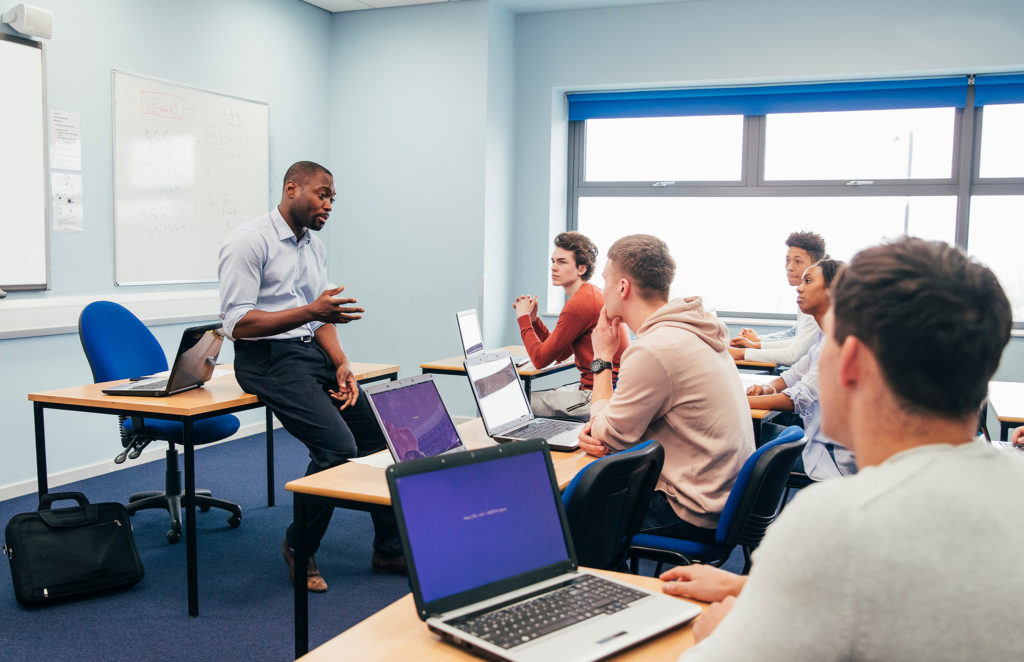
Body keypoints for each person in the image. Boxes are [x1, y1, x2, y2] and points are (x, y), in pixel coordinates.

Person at [663, 237, 1023, 661]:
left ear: (849, 360)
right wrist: (752, 587)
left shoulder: (837, 521)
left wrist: (714, 634)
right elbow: (917, 604)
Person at [218, 161, 404, 593]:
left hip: (310, 355)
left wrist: (341, 362)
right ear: (291, 189)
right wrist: (311, 313)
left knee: (380, 436)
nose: (329, 204)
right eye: (322, 194)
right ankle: (298, 547)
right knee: (336, 447)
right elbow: (237, 324)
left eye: (333, 198)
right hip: (265, 358)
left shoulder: (313, 247)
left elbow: (321, 318)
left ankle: (389, 548)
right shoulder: (249, 242)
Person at [577, 234, 754, 544]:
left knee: (564, 523)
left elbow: (607, 437)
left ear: (622, 287)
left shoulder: (655, 348)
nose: (602, 289)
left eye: (605, 280)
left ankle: (610, 589)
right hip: (723, 498)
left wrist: (603, 358)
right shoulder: (691, 330)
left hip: (690, 510)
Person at [746, 259, 856, 481]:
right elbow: (793, 375)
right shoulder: (825, 337)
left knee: (743, 440)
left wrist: (736, 400)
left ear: (832, 290)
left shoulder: (839, 341)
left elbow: (798, 398)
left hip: (829, 458)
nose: (799, 287)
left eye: (808, 281)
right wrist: (766, 388)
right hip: (818, 442)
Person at [513, 231, 626, 420]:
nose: (554, 268)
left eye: (562, 262)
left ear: (581, 268)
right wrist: (534, 321)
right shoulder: (588, 294)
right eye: (553, 261)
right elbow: (562, 353)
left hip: (598, 395)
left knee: (516, 402)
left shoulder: (580, 304)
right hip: (604, 390)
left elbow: (540, 359)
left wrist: (523, 318)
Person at [730, 231, 826, 366]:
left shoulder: (817, 302)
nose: (790, 267)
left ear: (816, 265)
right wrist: (756, 345)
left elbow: (794, 354)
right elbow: (797, 341)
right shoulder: (803, 297)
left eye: (798, 261)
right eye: (788, 260)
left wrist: (744, 352)